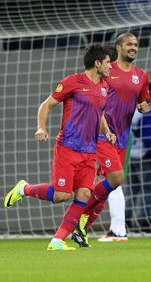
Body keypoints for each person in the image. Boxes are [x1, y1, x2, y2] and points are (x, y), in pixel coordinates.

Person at [3, 45, 114, 250]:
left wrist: (106, 131)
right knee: (61, 196)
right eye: (108, 62)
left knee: (84, 195)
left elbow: (99, 113)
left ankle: (57, 240)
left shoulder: (105, 86)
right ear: (97, 63)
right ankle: (24, 189)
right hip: (68, 148)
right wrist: (41, 127)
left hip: (89, 151)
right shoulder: (73, 82)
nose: (111, 66)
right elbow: (46, 105)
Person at [72, 32, 151, 246]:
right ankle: (80, 218)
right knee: (116, 179)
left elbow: (143, 102)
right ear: (118, 48)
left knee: (107, 184)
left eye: (136, 44)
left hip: (123, 138)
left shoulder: (142, 75)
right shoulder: (107, 70)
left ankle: (82, 227)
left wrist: (144, 107)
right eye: (129, 44)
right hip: (101, 134)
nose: (133, 47)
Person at [125, 82, 151, 232]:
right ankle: (144, 221)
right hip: (144, 157)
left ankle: (126, 219)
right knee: (147, 189)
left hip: (130, 156)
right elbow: (150, 139)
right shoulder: (148, 114)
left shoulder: (130, 111)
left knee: (132, 189)